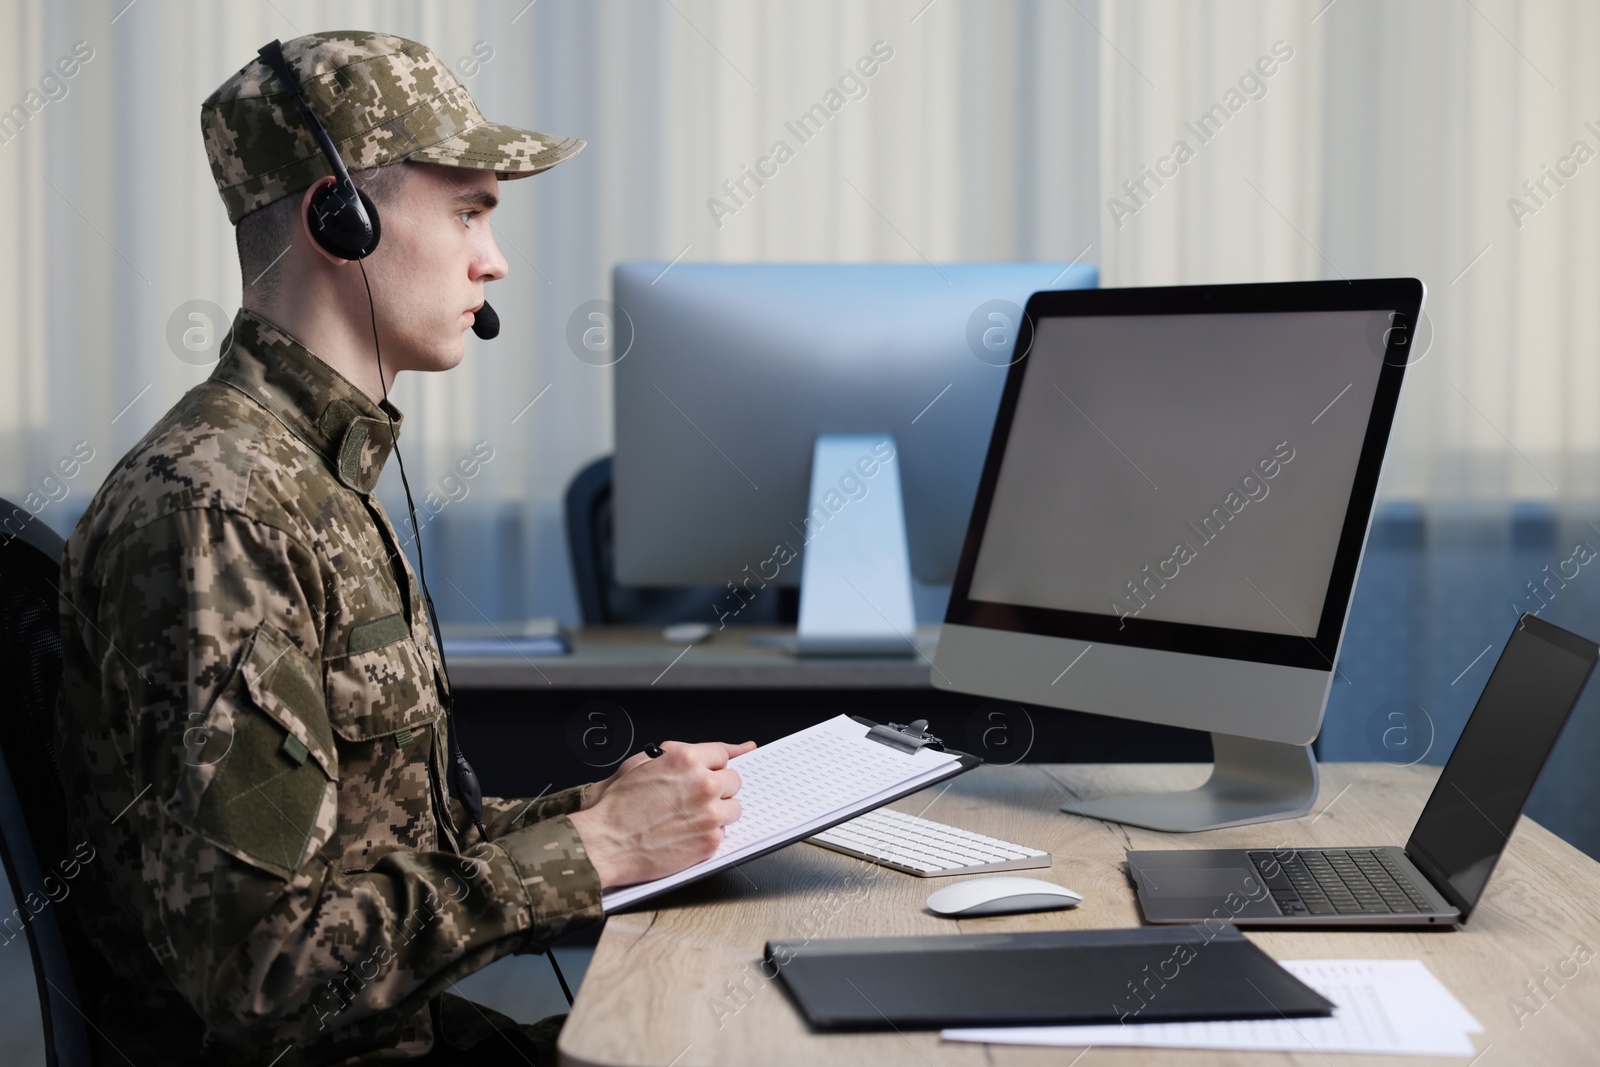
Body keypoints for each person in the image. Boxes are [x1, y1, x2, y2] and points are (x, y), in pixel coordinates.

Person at [54, 30, 751, 1066]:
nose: (494, 259)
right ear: (341, 219)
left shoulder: (317, 479)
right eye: (469, 211)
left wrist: (604, 810)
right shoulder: (219, 511)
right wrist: (594, 850)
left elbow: (383, 855)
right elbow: (267, 970)